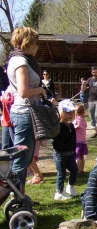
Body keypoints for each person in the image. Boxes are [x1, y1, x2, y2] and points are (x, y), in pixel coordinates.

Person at [6, 27, 47, 193]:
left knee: (26, 156)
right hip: (24, 113)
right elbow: (23, 92)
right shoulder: (20, 62)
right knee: (21, 159)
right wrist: (40, 90)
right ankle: (17, 198)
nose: (37, 47)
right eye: (36, 43)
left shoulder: (21, 60)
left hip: (27, 112)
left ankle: (20, 195)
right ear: (28, 43)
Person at [53, 100, 79, 200]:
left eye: (72, 112)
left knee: (74, 170)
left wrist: (74, 151)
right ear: (61, 112)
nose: (71, 115)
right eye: (68, 112)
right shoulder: (58, 126)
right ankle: (59, 192)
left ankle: (70, 186)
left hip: (70, 153)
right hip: (60, 154)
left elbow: (74, 139)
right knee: (61, 173)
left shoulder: (71, 126)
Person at [73, 104, 88, 174]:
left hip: (77, 141)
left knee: (77, 156)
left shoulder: (76, 120)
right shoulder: (83, 120)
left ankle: (78, 170)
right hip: (83, 141)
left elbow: (74, 127)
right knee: (81, 156)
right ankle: (81, 169)